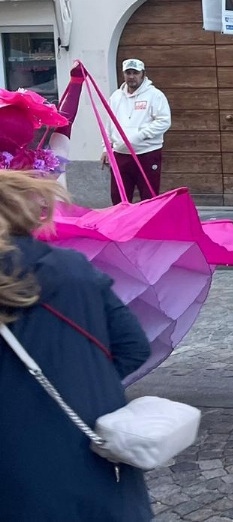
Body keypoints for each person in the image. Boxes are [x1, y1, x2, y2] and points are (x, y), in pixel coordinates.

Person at [0, 170, 153, 521]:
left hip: (13, 461)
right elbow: (134, 347)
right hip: (92, 449)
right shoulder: (74, 266)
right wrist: (82, 380)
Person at [101, 59, 171, 205]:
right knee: (119, 197)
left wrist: (139, 136)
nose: (131, 76)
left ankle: (148, 226)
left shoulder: (155, 95)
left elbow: (164, 121)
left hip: (147, 153)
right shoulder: (116, 97)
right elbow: (109, 124)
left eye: (135, 73)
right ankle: (122, 227)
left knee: (148, 196)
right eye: (128, 73)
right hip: (121, 154)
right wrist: (105, 148)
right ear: (123, 74)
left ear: (143, 74)